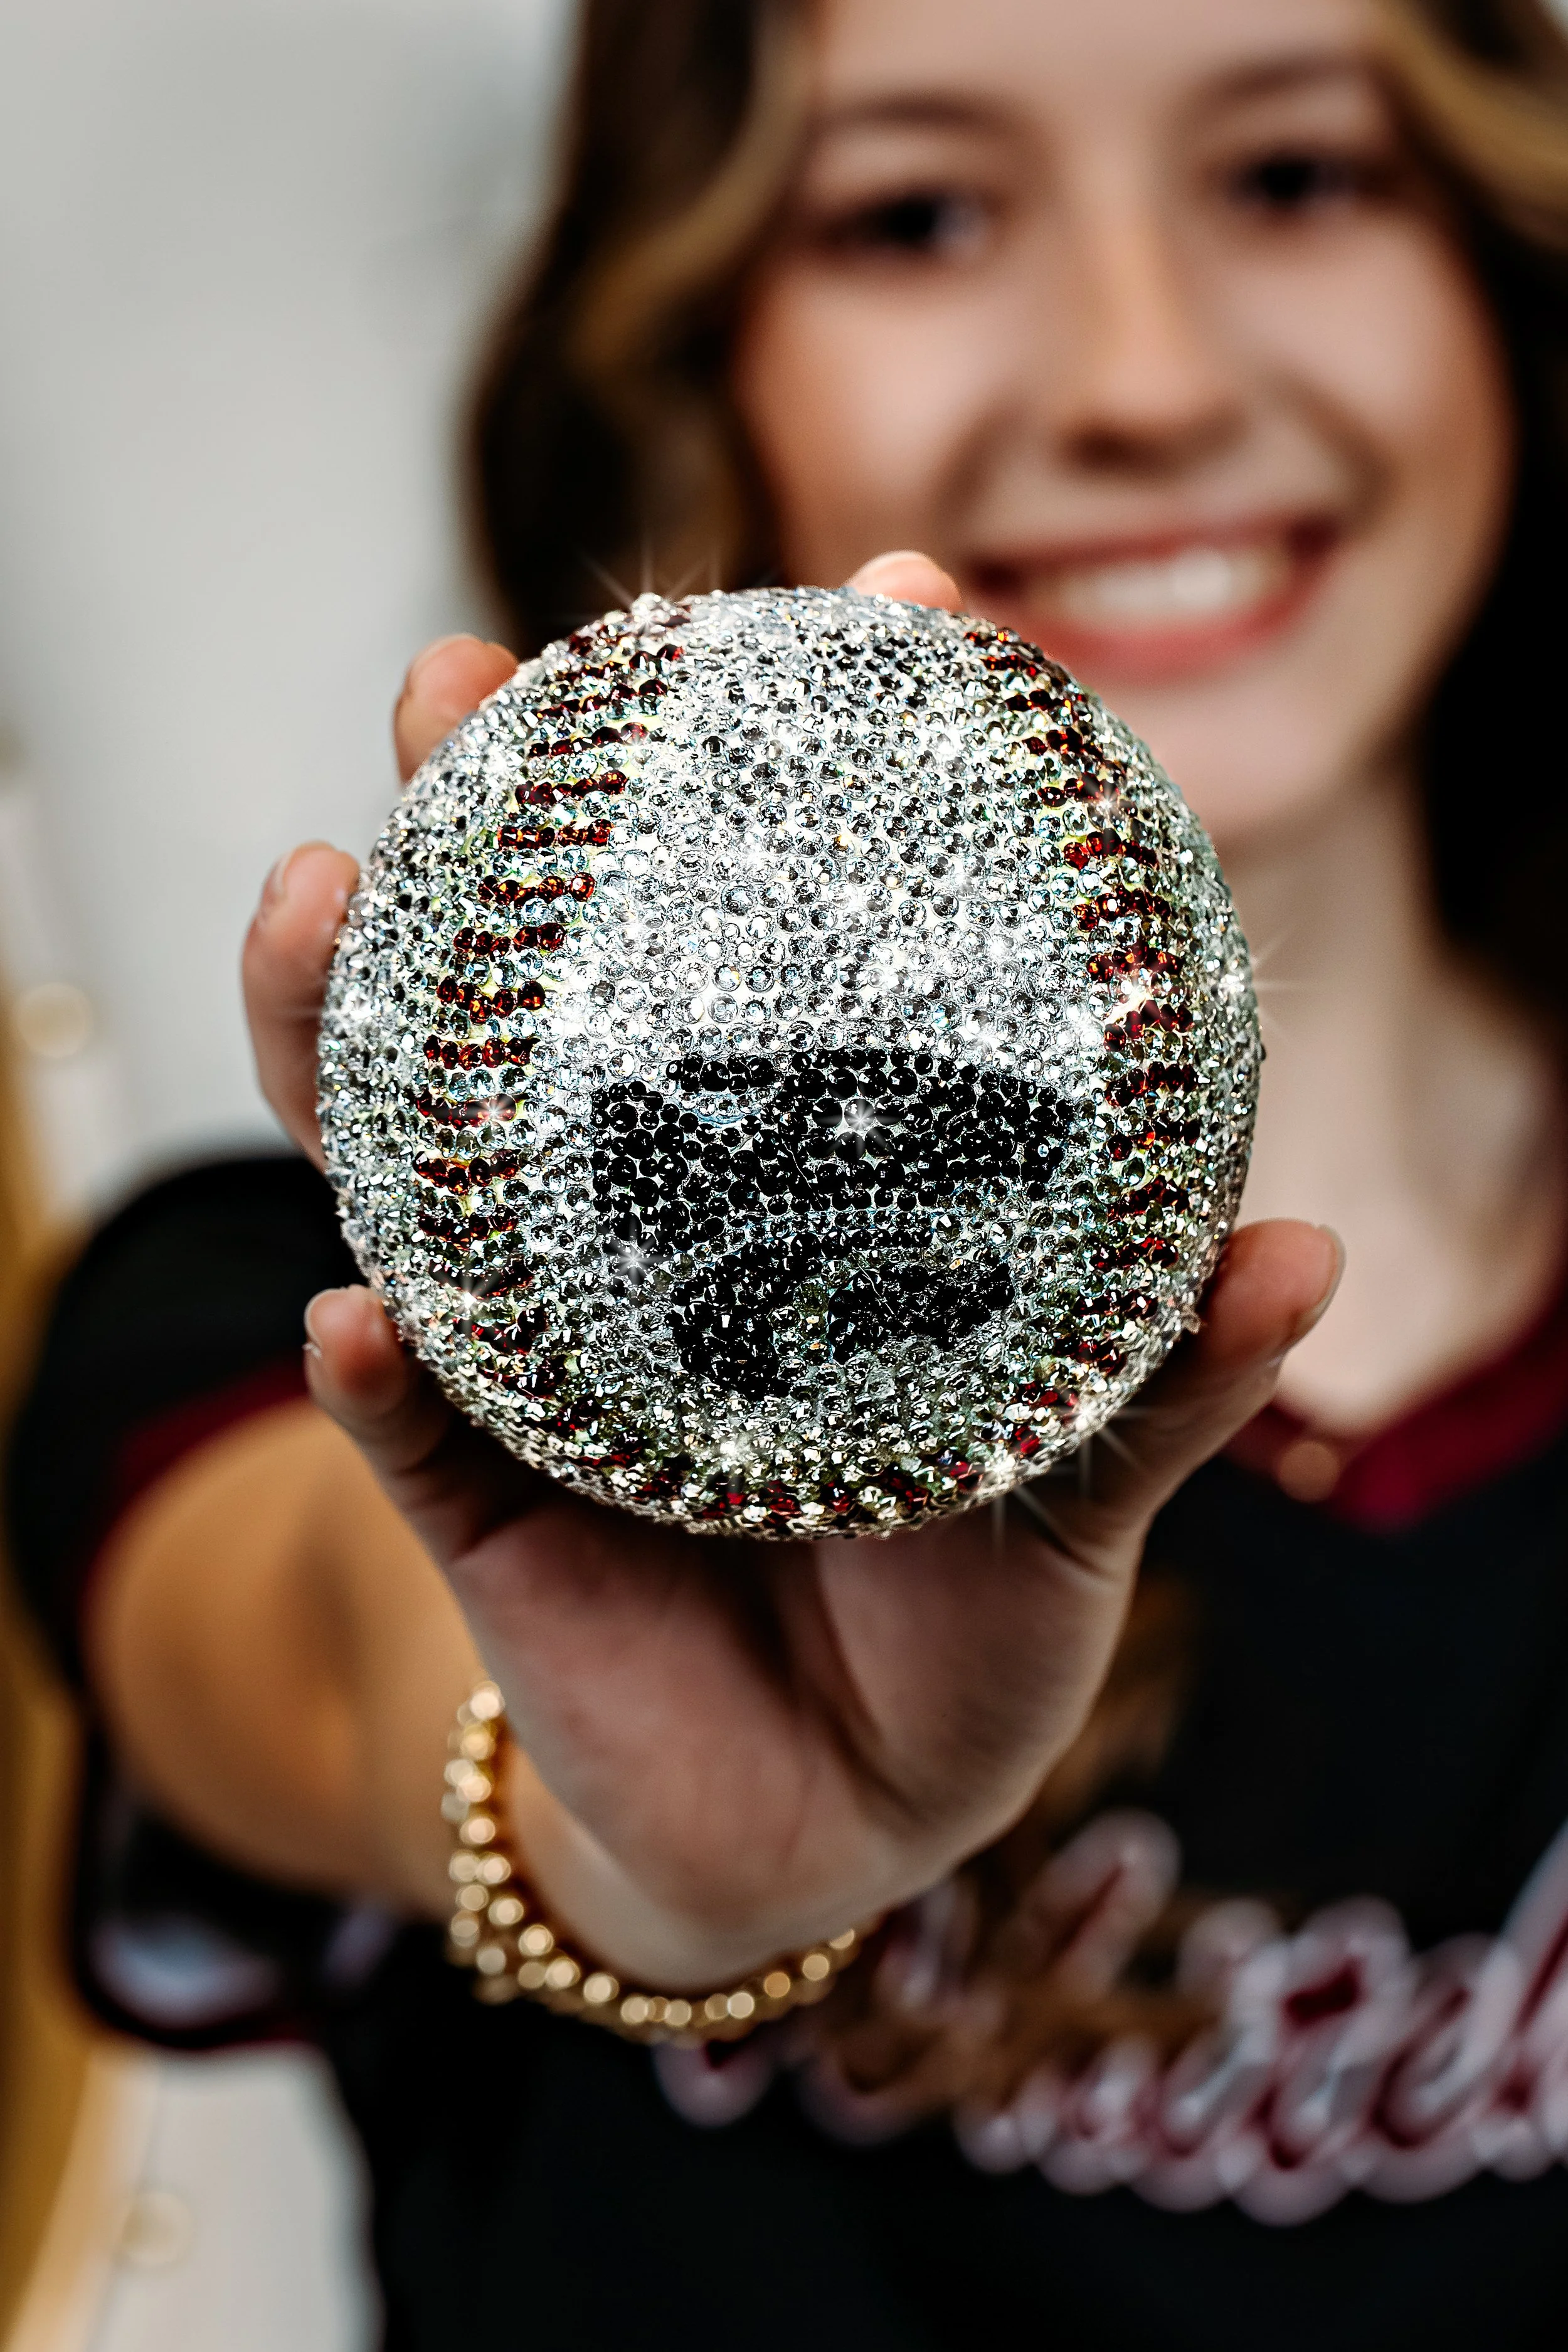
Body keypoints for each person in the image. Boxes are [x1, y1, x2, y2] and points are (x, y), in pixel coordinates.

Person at [13, 0, 1568, 2341]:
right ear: (685, 342)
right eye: (915, 213)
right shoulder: (336, 1311)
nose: (1139, 373)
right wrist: (585, 1810)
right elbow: (302, 1643)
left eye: (1295, 177)